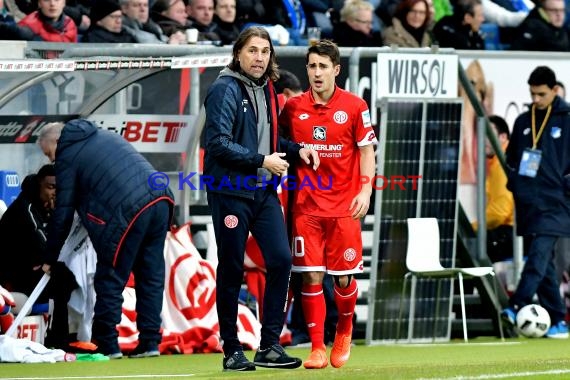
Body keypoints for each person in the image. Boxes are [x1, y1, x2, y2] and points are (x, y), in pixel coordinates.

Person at [203, 26, 318, 371]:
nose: (259, 57)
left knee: (282, 260)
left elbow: (269, 142)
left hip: (263, 190)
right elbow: (218, 143)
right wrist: (261, 161)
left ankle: (269, 344)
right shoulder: (224, 88)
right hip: (230, 192)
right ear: (238, 53)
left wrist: (298, 149)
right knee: (232, 267)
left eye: (265, 51)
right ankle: (231, 349)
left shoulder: (267, 87)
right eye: (252, 50)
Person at [37, 120, 174, 358]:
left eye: (50, 154)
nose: (52, 162)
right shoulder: (104, 136)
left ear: (57, 142)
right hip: (161, 200)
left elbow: (64, 212)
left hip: (128, 210)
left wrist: (50, 257)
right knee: (150, 277)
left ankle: (108, 343)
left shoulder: (68, 153)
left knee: (110, 277)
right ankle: (150, 343)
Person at [279, 39, 377, 368]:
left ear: (336, 70)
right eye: (312, 66)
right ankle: (318, 347)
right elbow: (280, 144)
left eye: (323, 66)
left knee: (343, 279)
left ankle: (345, 329)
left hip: (344, 207)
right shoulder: (293, 109)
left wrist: (365, 192)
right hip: (306, 207)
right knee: (310, 276)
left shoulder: (354, 106)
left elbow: (366, 151)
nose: (317, 73)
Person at [501, 66, 570, 339]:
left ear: (555, 90)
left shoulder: (567, 118)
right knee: (546, 265)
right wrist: (517, 184)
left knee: (539, 255)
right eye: (532, 94)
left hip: (559, 203)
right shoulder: (521, 121)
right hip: (530, 201)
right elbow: (513, 159)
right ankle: (556, 319)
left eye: (541, 94)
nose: (536, 99)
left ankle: (517, 303)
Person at [472, 115, 514, 263]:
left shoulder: (503, 163)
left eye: (487, 135)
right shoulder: (503, 160)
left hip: (512, 232)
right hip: (528, 232)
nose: (482, 141)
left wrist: (474, 227)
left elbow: (499, 212)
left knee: (468, 248)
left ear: (502, 137)